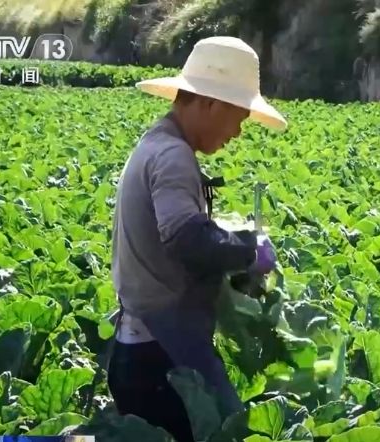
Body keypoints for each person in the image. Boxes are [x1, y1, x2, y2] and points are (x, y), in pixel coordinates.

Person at [105, 36, 286, 442]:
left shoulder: (155, 144)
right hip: (162, 357)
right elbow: (185, 238)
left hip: (146, 347)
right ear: (209, 103)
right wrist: (248, 253)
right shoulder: (173, 156)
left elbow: (174, 233)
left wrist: (229, 240)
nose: (237, 131)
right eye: (238, 117)